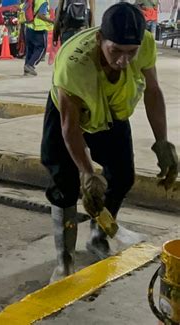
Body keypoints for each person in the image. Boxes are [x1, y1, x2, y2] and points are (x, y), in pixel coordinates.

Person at [40, 3, 178, 283]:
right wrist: (88, 173)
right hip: (71, 110)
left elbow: (153, 91)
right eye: (116, 51)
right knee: (64, 184)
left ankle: (99, 236)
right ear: (100, 39)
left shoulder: (145, 43)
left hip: (111, 110)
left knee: (123, 175)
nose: (124, 61)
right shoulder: (73, 65)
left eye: (131, 53)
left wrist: (162, 142)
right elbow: (70, 129)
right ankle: (64, 260)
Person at [23, 0, 53, 76]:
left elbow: (22, 9)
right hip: (39, 28)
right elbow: (41, 15)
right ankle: (30, 65)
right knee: (41, 48)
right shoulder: (43, 1)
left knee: (30, 49)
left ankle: (26, 69)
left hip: (29, 26)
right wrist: (52, 21)